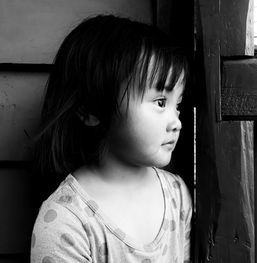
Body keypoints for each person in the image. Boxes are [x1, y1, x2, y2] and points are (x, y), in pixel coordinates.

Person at [31, 14, 192, 263]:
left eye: (177, 105)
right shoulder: (67, 221)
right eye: (161, 102)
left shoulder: (176, 194)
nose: (177, 122)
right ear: (91, 109)